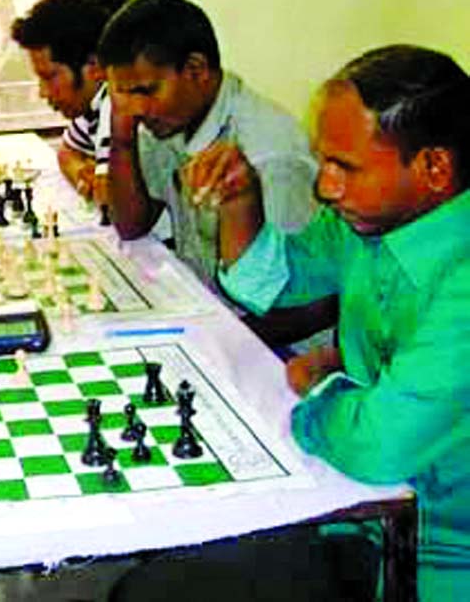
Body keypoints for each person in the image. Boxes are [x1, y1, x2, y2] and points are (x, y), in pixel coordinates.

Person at [173, 44, 470, 600]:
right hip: (359, 509)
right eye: (324, 161)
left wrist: (325, 385)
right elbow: (281, 282)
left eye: (346, 167)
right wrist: (242, 201)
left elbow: (380, 446)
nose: (324, 187)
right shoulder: (367, 222)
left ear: (434, 167)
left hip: (441, 555)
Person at [98, 0, 318, 292]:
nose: (135, 108)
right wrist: (122, 140)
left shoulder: (270, 154)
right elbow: (131, 226)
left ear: (196, 70)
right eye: (124, 93)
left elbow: (300, 299)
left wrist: (217, 336)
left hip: (271, 333)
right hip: (209, 305)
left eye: (145, 91)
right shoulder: (166, 121)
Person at [10, 0, 126, 205]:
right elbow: (67, 151)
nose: (42, 92)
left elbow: (111, 204)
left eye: (49, 77)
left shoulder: (115, 105)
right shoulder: (94, 106)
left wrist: (101, 186)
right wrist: (83, 174)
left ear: (93, 66)